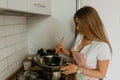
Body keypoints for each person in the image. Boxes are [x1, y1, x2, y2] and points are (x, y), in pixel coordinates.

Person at [56, 6, 112, 80]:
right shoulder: (80, 37)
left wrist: (77, 69)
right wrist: (63, 50)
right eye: (76, 24)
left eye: (79, 24)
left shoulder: (102, 46)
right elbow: (75, 55)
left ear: (89, 24)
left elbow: (101, 74)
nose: (77, 28)